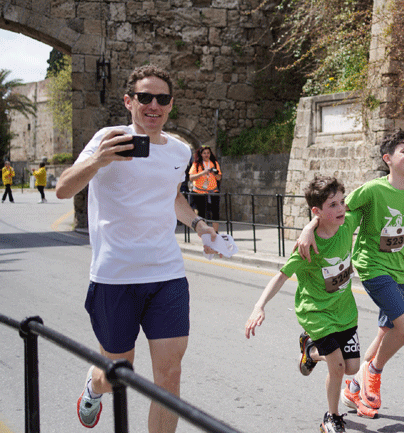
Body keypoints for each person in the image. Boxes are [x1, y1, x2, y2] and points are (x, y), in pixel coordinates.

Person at [55, 64, 220, 432]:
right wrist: (99, 159)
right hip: (115, 278)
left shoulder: (180, 150)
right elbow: (64, 189)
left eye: (161, 99)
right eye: (144, 97)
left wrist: (198, 224)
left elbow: (172, 194)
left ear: (170, 104)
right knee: (117, 374)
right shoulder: (107, 138)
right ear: (130, 101)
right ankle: (93, 387)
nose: (153, 105)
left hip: (167, 276)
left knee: (170, 375)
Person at [296, 130, 404, 416]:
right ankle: (373, 373)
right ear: (388, 159)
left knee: (386, 332)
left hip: (401, 270)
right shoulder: (372, 190)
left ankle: (352, 388)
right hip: (373, 266)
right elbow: (337, 210)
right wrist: (309, 227)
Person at [245, 175, 371, 433]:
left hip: (345, 311)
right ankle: (332, 417)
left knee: (352, 368)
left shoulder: (347, 224)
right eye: (332, 205)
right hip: (317, 313)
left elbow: (369, 195)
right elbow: (281, 276)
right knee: (337, 367)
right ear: (317, 211)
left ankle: (310, 351)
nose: (340, 209)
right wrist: (260, 305)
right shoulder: (308, 246)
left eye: (341, 202)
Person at [188, 146, 222, 233]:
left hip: (213, 191)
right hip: (199, 192)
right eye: (204, 153)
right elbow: (191, 178)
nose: (206, 155)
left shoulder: (214, 163)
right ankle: (203, 231)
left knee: (215, 212)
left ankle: (215, 232)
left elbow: (219, 178)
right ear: (201, 154)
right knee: (201, 213)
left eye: (208, 153)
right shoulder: (196, 164)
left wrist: (214, 174)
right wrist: (203, 173)